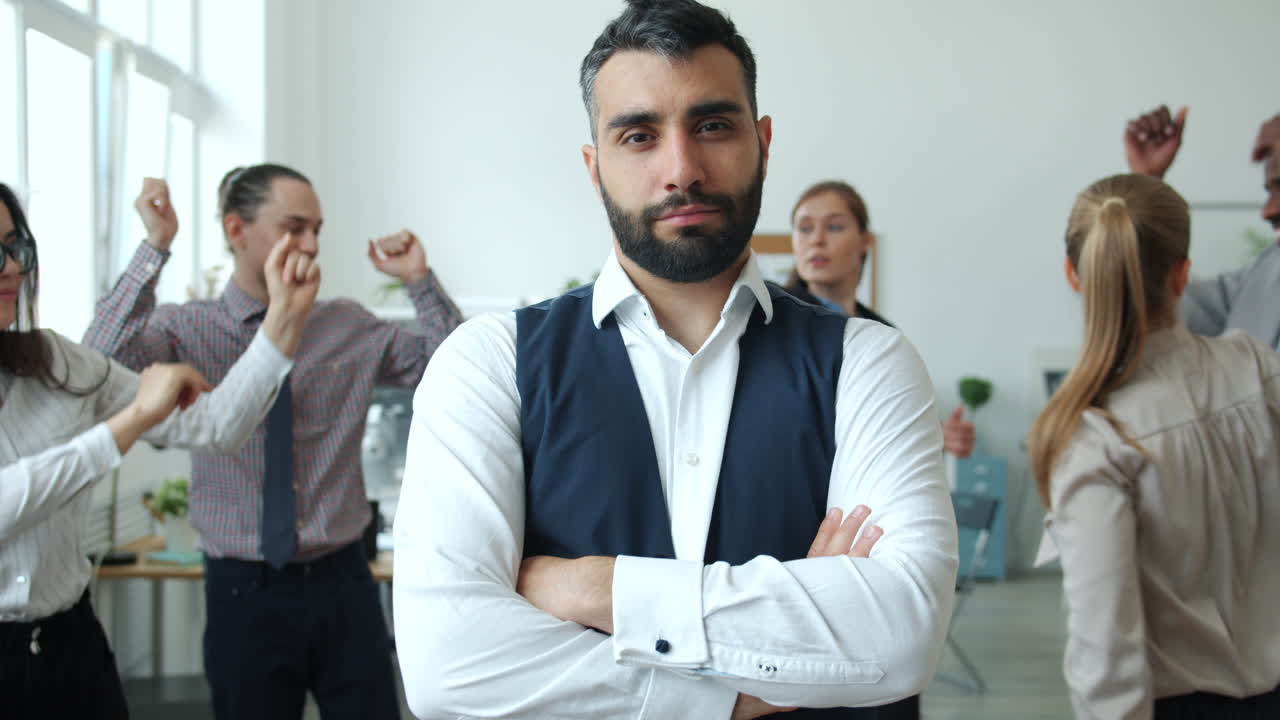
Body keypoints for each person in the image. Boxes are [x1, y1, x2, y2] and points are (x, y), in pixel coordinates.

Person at [393, 2, 957, 719]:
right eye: (639, 135)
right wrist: (756, 682)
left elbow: (900, 636)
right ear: (594, 167)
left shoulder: (867, 361)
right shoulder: (487, 365)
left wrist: (598, 591)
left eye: (713, 125)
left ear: (763, 141)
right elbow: (451, 667)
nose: (681, 169)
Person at [83, 167, 464, 719]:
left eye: (317, 229)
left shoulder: (347, 325)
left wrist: (418, 280)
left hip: (345, 584)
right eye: (294, 227)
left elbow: (457, 373)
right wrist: (155, 247)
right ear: (236, 230)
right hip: (243, 593)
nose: (311, 245)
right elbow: (93, 362)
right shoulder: (185, 331)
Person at [0, 181, 317, 719]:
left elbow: (218, 427)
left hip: (71, 644)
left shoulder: (56, 361)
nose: (11, 268)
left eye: (15, 247)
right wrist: (132, 420)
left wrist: (283, 321)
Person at [1029, 173, 1280, 718]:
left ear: (1075, 276)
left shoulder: (1095, 437)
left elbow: (1107, 658)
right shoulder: (1256, 369)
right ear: (1184, 274)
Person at [786, 180, 975, 461]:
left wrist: (934, 435)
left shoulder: (884, 335)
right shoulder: (773, 322)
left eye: (834, 226)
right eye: (805, 228)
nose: (816, 239)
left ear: (865, 242)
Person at [1123, 105, 1280, 346]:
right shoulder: (1266, 274)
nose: (1268, 210)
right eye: (1270, 192)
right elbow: (1170, 312)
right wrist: (1147, 183)